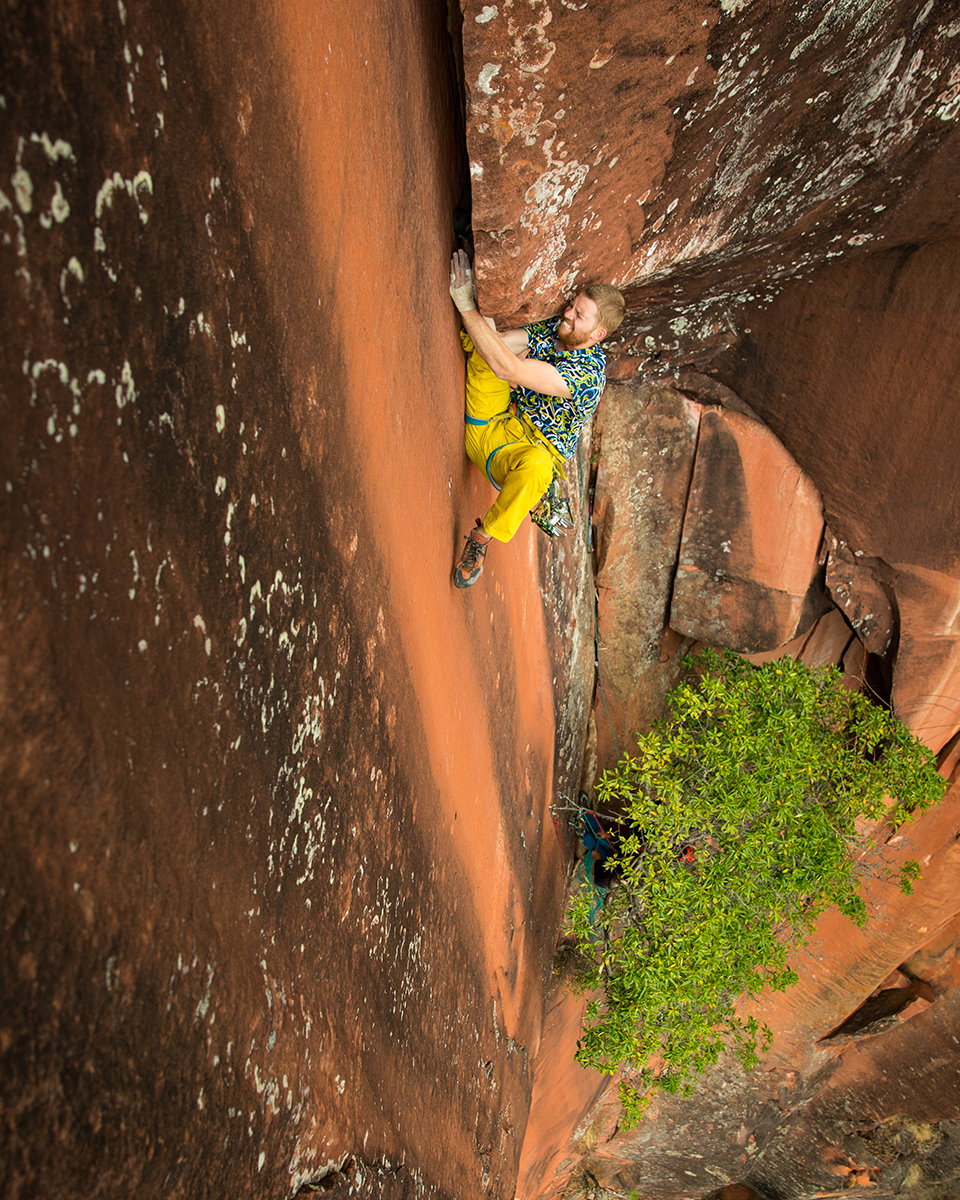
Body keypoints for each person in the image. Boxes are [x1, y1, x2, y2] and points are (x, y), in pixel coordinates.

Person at [448, 249, 625, 588]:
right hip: (492, 422)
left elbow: (508, 366)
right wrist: (476, 292)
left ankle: (481, 540)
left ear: (598, 334)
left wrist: (465, 304)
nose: (568, 313)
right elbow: (499, 346)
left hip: (523, 455)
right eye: (572, 305)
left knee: (539, 467)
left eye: (579, 314)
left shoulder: (589, 377)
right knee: (486, 342)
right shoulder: (559, 330)